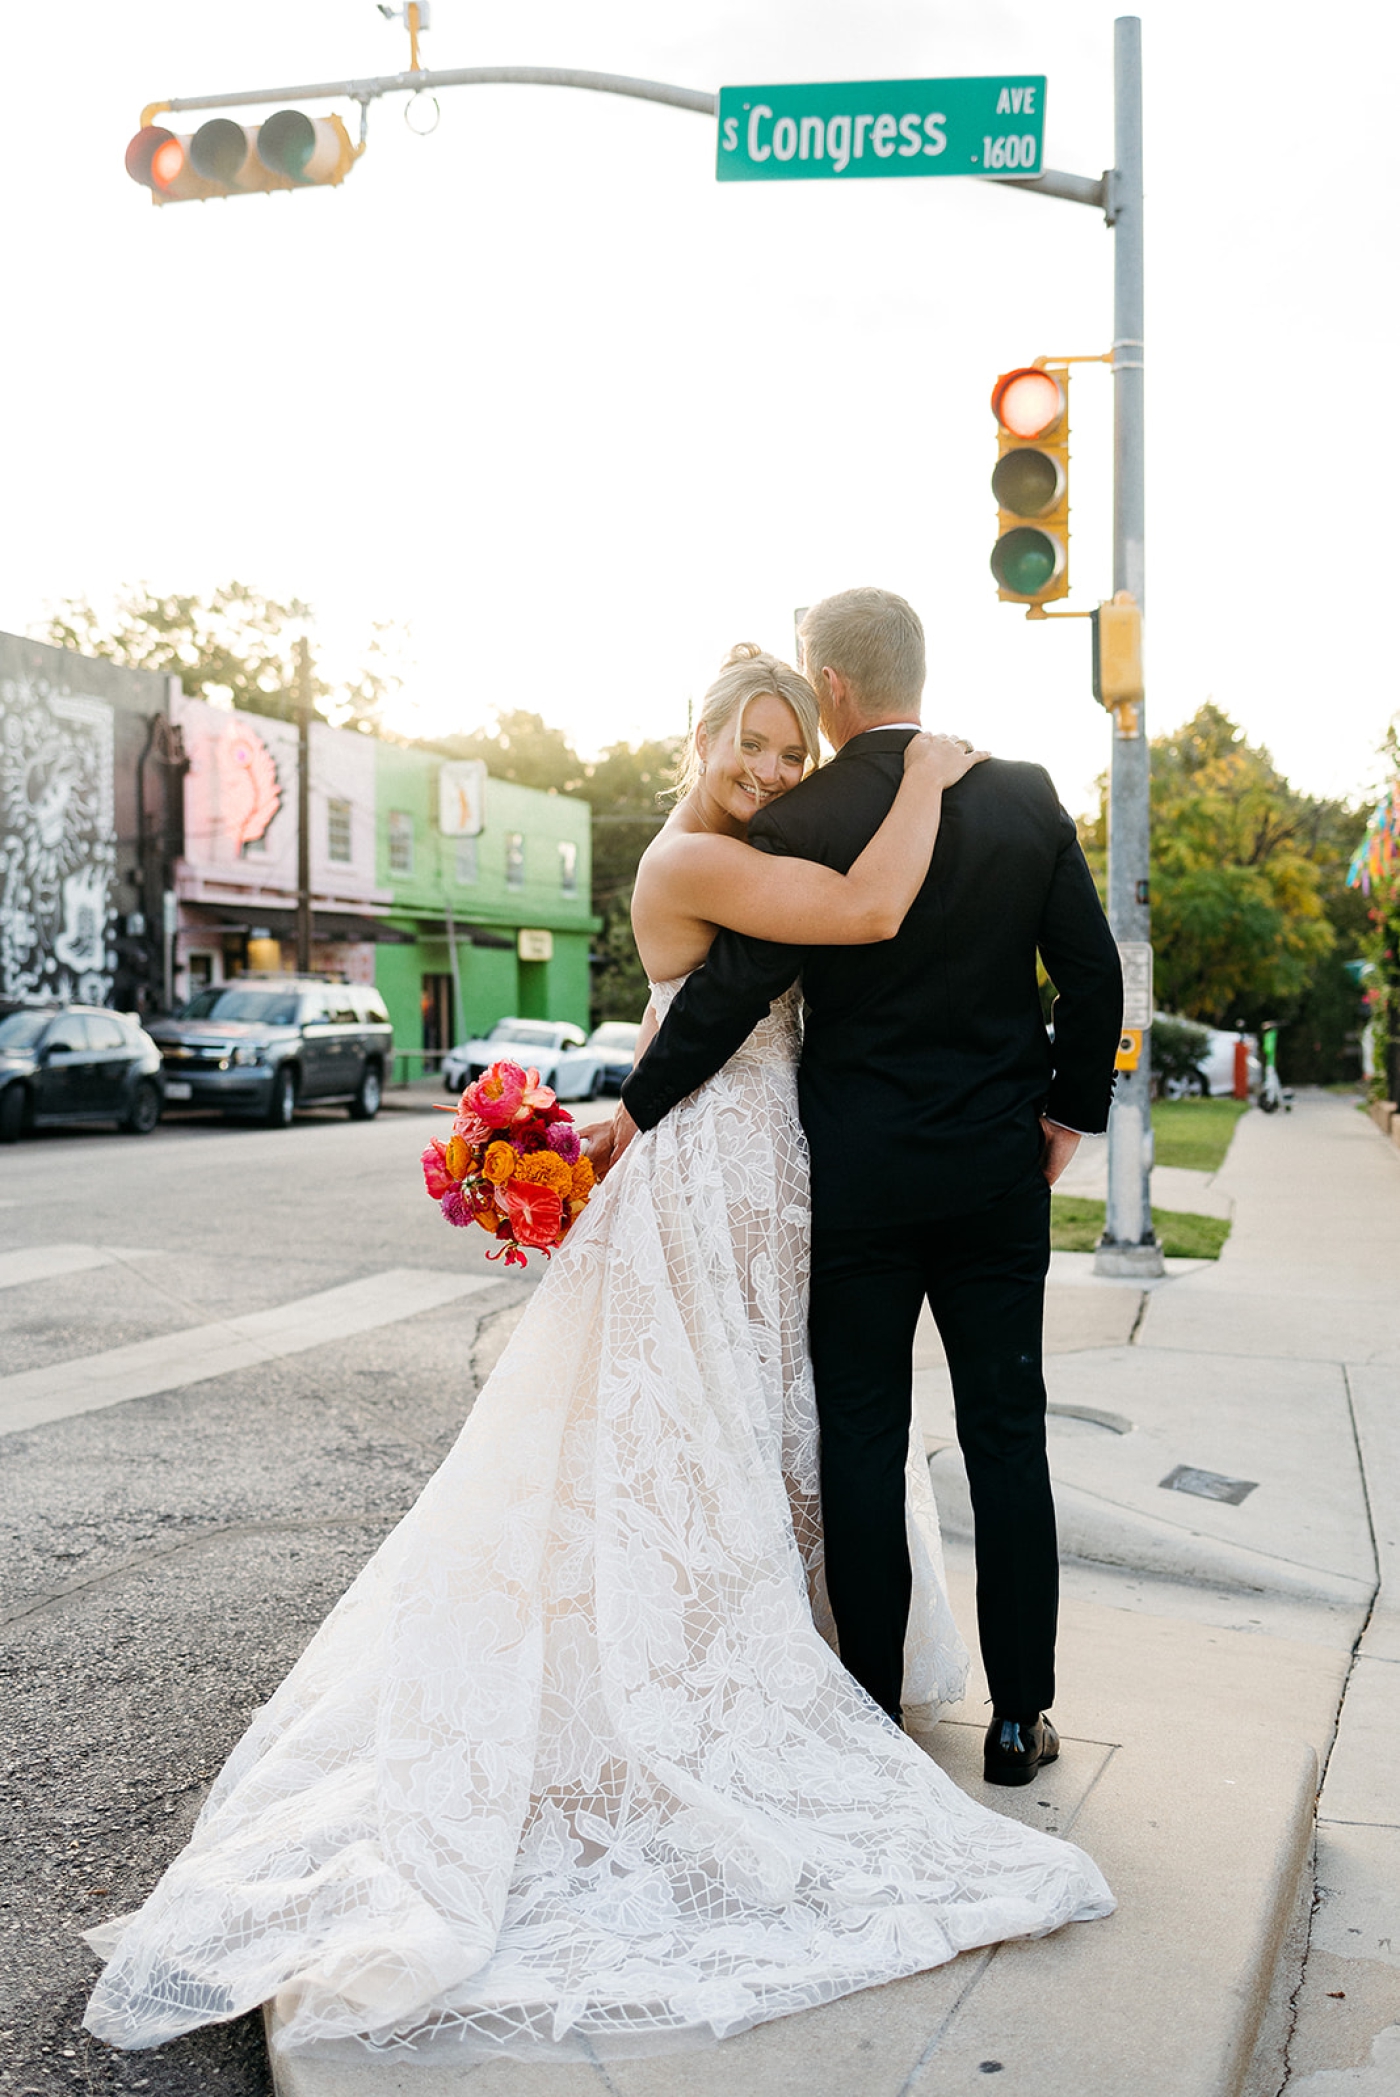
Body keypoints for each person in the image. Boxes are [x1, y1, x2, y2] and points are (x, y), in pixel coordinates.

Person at [84, 642, 1112, 2067]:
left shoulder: (803, 827)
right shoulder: (725, 852)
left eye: (787, 747)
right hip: (736, 1171)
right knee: (763, 1434)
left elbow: (797, 965)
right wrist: (932, 782)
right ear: (697, 739)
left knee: (801, 1430)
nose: (768, 768)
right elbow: (839, 939)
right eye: (748, 744)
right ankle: (848, 1694)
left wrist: (634, 1106)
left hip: (801, 1175)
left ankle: (844, 1681)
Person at [608, 591, 1125, 1788]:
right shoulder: (1022, 793)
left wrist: (632, 1110)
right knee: (1007, 1437)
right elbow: (1091, 979)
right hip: (996, 1171)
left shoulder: (808, 815)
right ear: (913, 672)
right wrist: (1064, 1115)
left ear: (829, 686)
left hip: (857, 1182)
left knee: (859, 1434)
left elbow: (730, 991)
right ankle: (1017, 1719)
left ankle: (868, 1709)